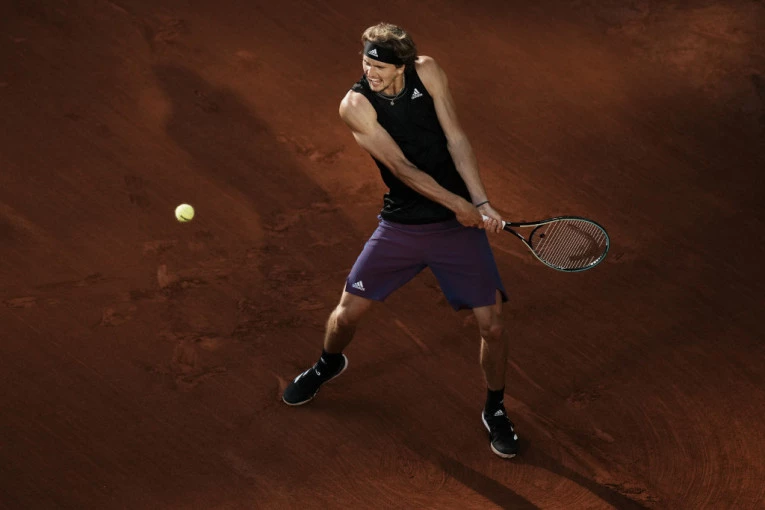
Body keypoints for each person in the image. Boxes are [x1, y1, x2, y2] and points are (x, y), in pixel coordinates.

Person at [282, 22, 519, 459]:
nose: (369, 72)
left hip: (456, 230)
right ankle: (328, 363)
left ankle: (496, 408)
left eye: (379, 66)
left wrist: (481, 202)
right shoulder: (355, 105)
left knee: (494, 326)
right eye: (365, 63)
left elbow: (456, 138)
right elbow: (402, 169)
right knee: (346, 315)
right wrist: (459, 204)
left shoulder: (428, 71)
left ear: (402, 66)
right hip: (402, 227)